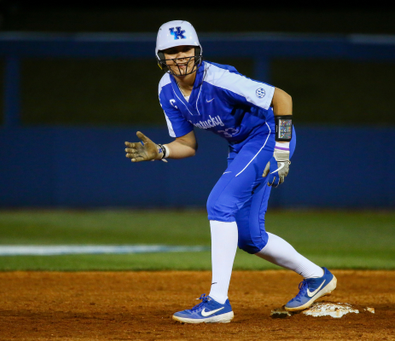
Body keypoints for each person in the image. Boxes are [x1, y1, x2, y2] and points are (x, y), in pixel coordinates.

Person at [124, 20, 336, 324]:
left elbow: (282, 99)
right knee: (250, 237)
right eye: (172, 51)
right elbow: (187, 143)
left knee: (219, 204)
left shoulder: (218, 78)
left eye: (185, 49)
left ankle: (217, 302)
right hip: (241, 146)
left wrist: (282, 151)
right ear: (161, 58)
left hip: (266, 136)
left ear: (197, 51)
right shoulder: (166, 90)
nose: (180, 56)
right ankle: (317, 277)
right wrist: (162, 151)